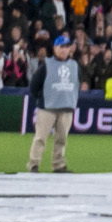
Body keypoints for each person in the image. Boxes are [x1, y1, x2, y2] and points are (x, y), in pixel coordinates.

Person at [28, 34, 83, 174]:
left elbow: (77, 83)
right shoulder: (46, 64)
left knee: (62, 139)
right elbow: (34, 86)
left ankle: (58, 165)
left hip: (66, 108)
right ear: (55, 48)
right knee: (40, 138)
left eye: (66, 47)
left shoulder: (75, 65)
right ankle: (34, 164)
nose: (64, 50)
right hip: (48, 108)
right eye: (61, 47)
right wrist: (43, 99)